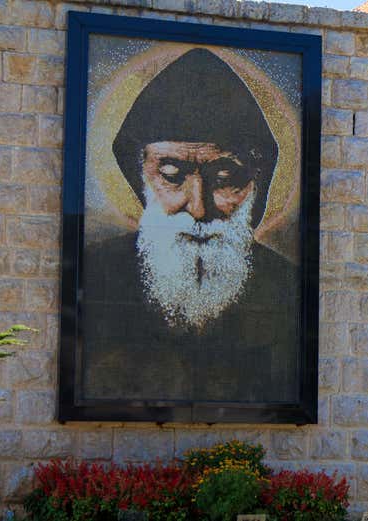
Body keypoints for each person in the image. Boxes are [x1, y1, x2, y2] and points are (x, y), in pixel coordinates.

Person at [81, 48, 300, 405]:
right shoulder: (96, 272)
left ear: (256, 187)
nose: (198, 208)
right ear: (140, 179)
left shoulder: (288, 284)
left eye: (225, 178)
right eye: (171, 175)